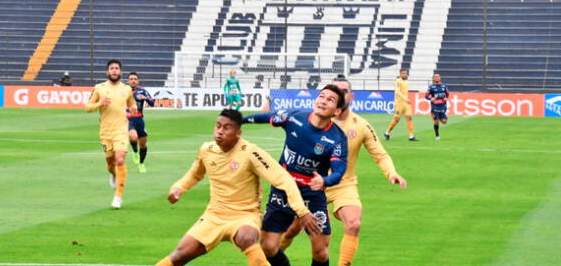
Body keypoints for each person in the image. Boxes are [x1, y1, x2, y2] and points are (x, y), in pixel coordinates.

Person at [155, 109, 320, 266]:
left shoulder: (251, 153)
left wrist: (302, 211)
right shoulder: (207, 150)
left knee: (246, 238)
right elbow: (195, 174)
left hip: (245, 215)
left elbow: (284, 179)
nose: (220, 131)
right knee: (179, 255)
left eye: (227, 128)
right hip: (214, 215)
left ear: (238, 132)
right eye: (218, 126)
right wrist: (179, 187)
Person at [279, 77, 407, 266]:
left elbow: (380, 154)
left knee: (354, 223)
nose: (339, 94)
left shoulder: (361, 125)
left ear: (351, 96)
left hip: (343, 185)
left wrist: (391, 172)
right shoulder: (310, 120)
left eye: (343, 91)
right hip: (309, 185)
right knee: (291, 230)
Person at [243, 84, 348, 266]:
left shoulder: (338, 138)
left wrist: (325, 180)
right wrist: (241, 120)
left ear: (337, 111)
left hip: (312, 195)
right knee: (267, 246)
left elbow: (339, 170)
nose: (323, 101)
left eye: (330, 100)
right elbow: (268, 116)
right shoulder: (294, 117)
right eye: (321, 96)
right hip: (283, 189)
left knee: (321, 252)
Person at [85, 59, 137, 209]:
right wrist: (100, 104)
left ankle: (118, 197)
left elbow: (131, 102)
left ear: (120, 72)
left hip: (121, 130)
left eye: (117, 68)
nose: (114, 71)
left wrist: (133, 108)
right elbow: (87, 107)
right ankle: (114, 174)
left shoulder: (126, 89)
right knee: (110, 165)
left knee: (120, 160)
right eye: (112, 68)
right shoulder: (99, 88)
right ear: (107, 72)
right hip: (105, 132)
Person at [126, 71, 155, 172]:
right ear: (127, 81)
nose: (133, 81)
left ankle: (141, 163)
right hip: (128, 119)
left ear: (138, 81)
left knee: (143, 144)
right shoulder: (123, 92)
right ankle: (134, 152)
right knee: (133, 137)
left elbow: (152, 103)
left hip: (139, 119)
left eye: (135, 79)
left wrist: (146, 98)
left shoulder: (142, 91)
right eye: (131, 79)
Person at [384, 68, 419, 141]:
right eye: (403, 73)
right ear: (400, 74)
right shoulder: (397, 81)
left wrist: (406, 100)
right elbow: (397, 92)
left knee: (409, 117)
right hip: (399, 103)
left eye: (405, 73)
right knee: (396, 119)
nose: (404, 75)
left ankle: (411, 136)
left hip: (406, 104)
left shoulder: (406, 82)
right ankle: (387, 132)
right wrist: (405, 99)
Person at [425, 73, 449, 140]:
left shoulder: (444, 86)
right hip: (435, 106)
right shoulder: (431, 87)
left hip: (443, 106)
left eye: (438, 76)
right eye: (435, 77)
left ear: (440, 78)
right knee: (436, 121)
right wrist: (430, 99)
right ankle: (437, 136)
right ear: (433, 78)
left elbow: (447, 94)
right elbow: (426, 96)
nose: (437, 78)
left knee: (444, 121)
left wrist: (446, 98)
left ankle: (439, 117)